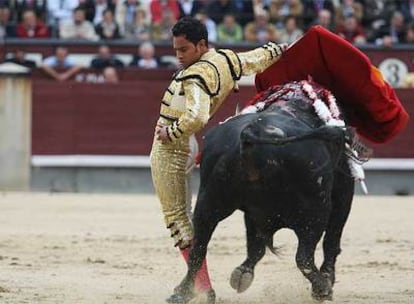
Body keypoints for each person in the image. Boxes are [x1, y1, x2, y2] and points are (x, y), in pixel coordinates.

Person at [149, 16, 287, 304]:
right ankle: (198, 284)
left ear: (201, 45)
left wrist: (170, 131)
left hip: (172, 148)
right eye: (175, 50)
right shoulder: (226, 59)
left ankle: (200, 287)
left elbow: (197, 115)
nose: (178, 56)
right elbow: (258, 59)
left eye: (184, 50)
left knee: (177, 219)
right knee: (186, 217)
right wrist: (282, 49)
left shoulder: (194, 76)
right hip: (189, 144)